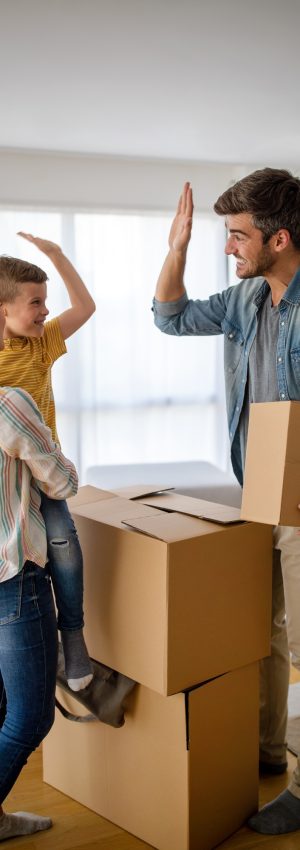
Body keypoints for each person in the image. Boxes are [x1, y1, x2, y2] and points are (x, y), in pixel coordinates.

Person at [153, 169, 300, 836]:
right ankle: (271, 753)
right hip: (257, 487)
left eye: (237, 236)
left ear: (280, 238)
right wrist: (176, 246)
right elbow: (171, 318)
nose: (228, 248)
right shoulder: (245, 302)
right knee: (262, 630)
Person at [0, 236, 96, 692]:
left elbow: (85, 307)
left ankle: (72, 634)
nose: (44, 310)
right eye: (35, 302)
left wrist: (57, 257)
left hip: (45, 476)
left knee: (63, 542)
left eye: (45, 301)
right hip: (8, 484)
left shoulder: (41, 344)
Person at [0, 375, 78, 840]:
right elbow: (63, 481)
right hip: (14, 578)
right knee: (30, 715)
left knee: (2, 705)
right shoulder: (10, 403)